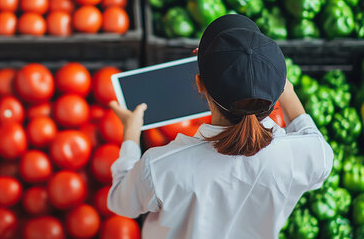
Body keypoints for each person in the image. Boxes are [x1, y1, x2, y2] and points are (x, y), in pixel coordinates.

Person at [107, 14, 334, 239]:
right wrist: (279, 84)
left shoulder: (160, 167)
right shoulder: (311, 156)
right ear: (278, 89)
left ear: (199, 84)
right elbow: (310, 135)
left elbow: (121, 202)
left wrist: (130, 134)